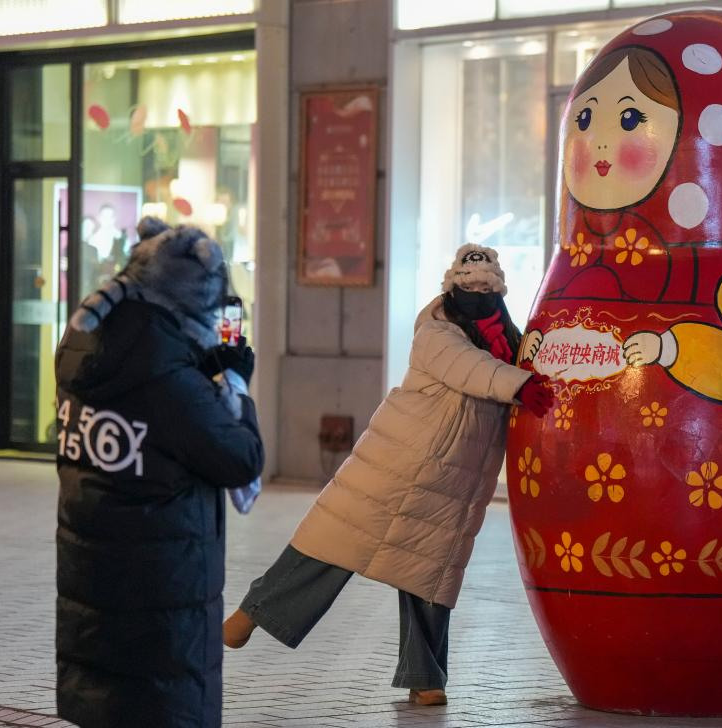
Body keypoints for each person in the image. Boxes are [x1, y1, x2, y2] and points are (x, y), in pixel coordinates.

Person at [222, 243, 554, 705]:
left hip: (454, 481)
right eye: (471, 288)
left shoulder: (508, 338)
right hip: (403, 459)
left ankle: (426, 676)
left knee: (431, 573)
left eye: (487, 290)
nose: (479, 297)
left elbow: (509, 368)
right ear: (453, 287)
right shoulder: (436, 331)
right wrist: (519, 384)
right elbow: (468, 367)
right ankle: (250, 615)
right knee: (332, 540)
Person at [55, 216, 264, 728]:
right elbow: (240, 457)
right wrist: (235, 383)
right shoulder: (168, 380)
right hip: (163, 606)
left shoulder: (86, 353)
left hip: (93, 595)